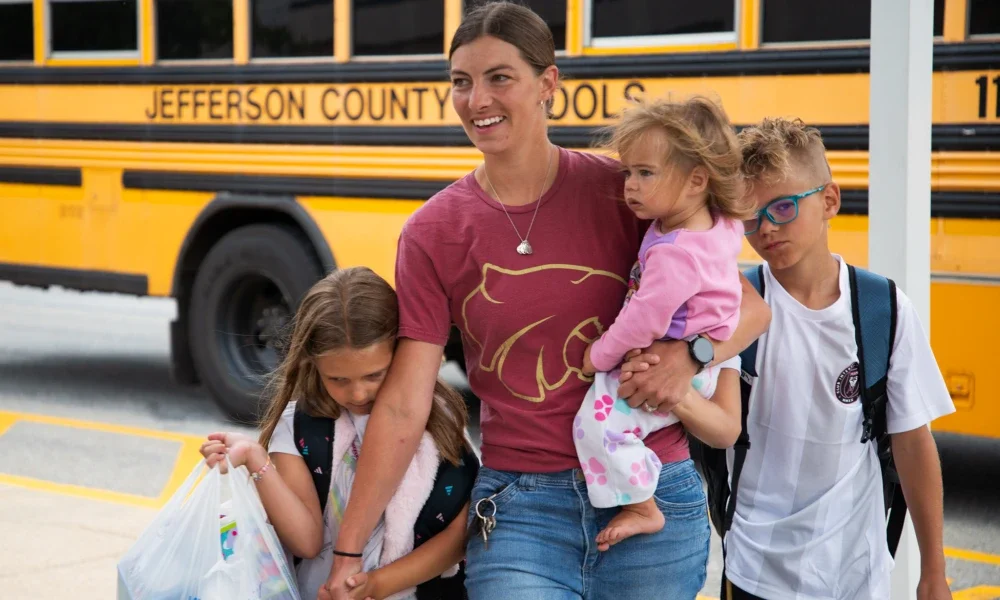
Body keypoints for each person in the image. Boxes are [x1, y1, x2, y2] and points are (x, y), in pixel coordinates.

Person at [321, 3, 770, 599]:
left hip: (654, 491)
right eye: (461, 82)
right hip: (520, 509)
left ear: (548, 84)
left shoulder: (626, 190)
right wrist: (348, 550)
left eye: (499, 77)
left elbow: (749, 306)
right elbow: (405, 405)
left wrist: (691, 356)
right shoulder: (434, 232)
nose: (477, 99)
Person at [720, 117, 955, 600]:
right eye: (749, 217)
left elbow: (912, 442)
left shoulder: (881, 308)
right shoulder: (732, 306)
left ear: (829, 200)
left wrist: (934, 570)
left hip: (855, 575)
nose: (765, 228)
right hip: (753, 571)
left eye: (783, 207)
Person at [200, 267, 478, 600]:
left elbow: (459, 534)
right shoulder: (299, 429)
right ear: (312, 364)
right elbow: (307, 541)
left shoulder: (438, 419)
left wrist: (376, 585)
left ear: (403, 352)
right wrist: (254, 458)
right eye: (338, 380)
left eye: (374, 375)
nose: (358, 394)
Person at [576, 95, 753, 551]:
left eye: (646, 173)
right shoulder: (714, 224)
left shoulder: (675, 253)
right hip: (709, 355)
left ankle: (641, 504)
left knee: (596, 425)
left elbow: (641, 321)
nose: (630, 186)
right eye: (628, 172)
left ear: (697, 180)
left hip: (672, 360)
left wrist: (598, 356)